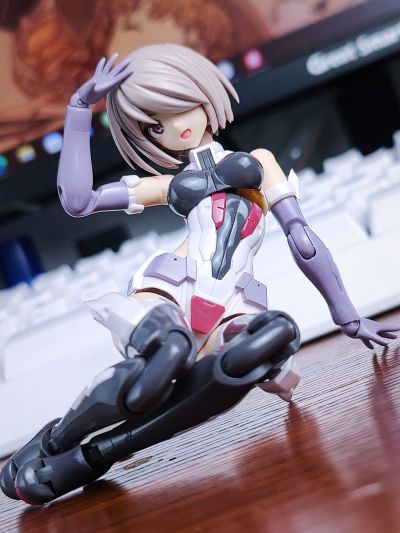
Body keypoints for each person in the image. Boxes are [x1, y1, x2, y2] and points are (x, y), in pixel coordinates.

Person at [1, 44, 397, 505]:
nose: (175, 126)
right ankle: (54, 442)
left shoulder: (258, 162)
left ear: (203, 93)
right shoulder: (168, 184)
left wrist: (347, 315)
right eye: (155, 125)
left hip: (234, 304)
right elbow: (79, 201)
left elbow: (303, 239)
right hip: (171, 288)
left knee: (271, 339)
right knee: (168, 353)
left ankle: (98, 455)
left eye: (181, 104)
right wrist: (77, 112)